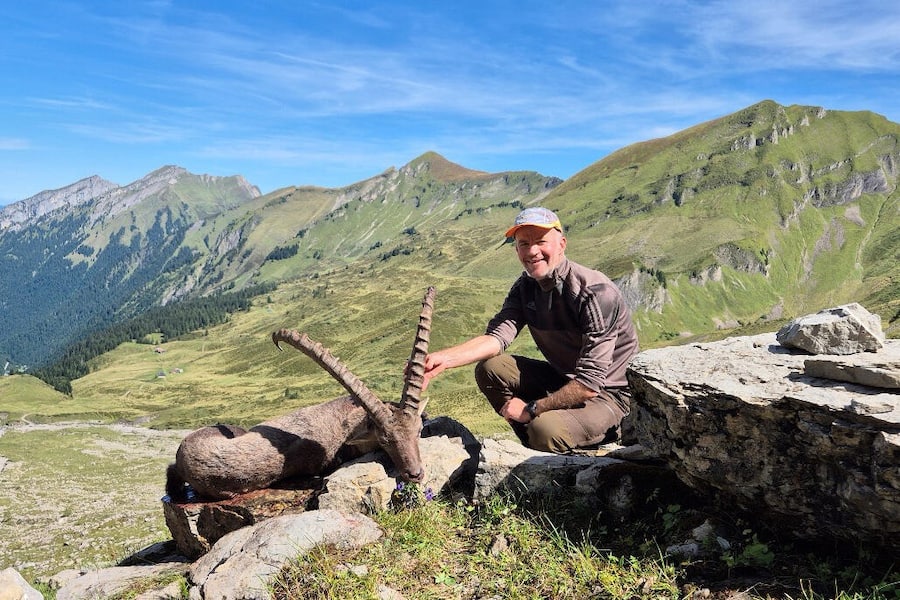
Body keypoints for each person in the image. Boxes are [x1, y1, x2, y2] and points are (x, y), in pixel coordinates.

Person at [423, 207, 639, 453]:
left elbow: (589, 384)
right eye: (524, 244)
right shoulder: (526, 287)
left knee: (544, 429)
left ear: (562, 244)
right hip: (564, 380)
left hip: (612, 395)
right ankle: (535, 443)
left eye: (541, 242)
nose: (532, 251)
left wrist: (531, 409)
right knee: (491, 369)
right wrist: (443, 360)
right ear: (516, 250)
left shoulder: (595, 293)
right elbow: (496, 338)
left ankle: (560, 439)